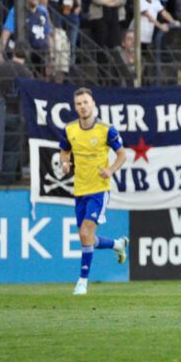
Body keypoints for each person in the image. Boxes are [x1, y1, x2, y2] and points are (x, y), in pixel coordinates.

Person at [59, 87, 129, 295]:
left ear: (93, 104)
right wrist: (64, 163)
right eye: (79, 103)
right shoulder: (70, 129)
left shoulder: (106, 130)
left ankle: (82, 281)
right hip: (80, 189)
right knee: (86, 237)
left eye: (86, 102)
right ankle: (118, 244)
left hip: (99, 190)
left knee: (84, 232)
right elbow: (64, 151)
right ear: (75, 107)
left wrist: (111, 170)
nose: (82, 106)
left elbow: (122, 155)